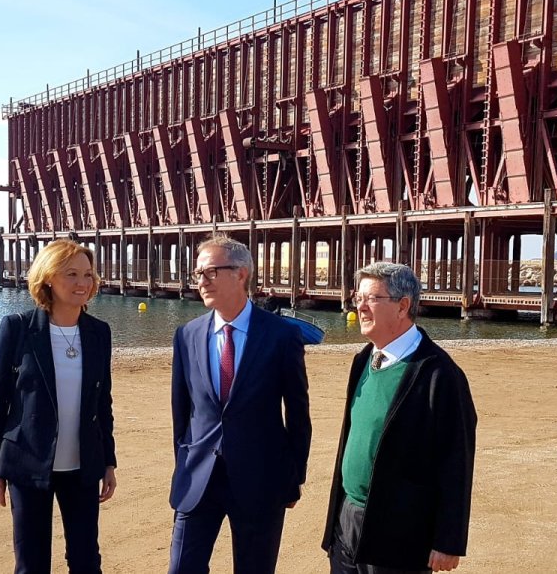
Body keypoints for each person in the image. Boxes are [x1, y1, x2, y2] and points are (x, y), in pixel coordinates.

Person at [168, 235, 312, 574]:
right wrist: (184, 464)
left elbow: (298, 413)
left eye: (211, 272)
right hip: (198, 478)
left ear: (241, 274)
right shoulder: (187, 335)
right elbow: (181, 412)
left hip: (260, 480)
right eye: (198, 273)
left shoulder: (281, 335)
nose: (201, 281)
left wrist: (293, 477)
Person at [322, 262, 477, 573]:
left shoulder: (439, 374)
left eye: (372, 298)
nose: (360, 307)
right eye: (358, 298)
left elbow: (456, 461)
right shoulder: (364, 359)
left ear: (403, 306)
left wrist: (448, 540)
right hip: (347, 520)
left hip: (400, 532)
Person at [0, 239, 118, 574]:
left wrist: (108, 462)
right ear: (48, 278)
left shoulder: (99, 333)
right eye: (71, 274)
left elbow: (103, 402)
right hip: (27, 462)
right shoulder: (17, 328)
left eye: (88, 274)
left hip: (83, 466)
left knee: (86, 561)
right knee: (31, 564)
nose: (82, 282)